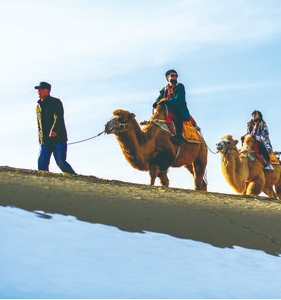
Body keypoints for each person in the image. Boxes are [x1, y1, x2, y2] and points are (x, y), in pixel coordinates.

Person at [35, 81, 76, 174]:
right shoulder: (38, 107)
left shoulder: (56, 102)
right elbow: (39, 125)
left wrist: (54, 130)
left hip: (58, 139)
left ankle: (74, 178)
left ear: (47, 91)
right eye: (38, 90)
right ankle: (43, 183)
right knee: (41, 163)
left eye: (41, 89)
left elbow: (58, 117)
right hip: (45, 141)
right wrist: (40, 139)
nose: (38, 91)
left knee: (61, 163)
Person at [153, 69, 190, 146]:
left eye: (176, 76)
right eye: (172, 76)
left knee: (178, 115)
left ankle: (178, 136)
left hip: (178, 110)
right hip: (167, 110)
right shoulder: (164, 89)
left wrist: (167, 102)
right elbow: (159, 97)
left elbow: (179, 99)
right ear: (167, 77)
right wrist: (156, 102)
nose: (175, 77)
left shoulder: (180, 86)